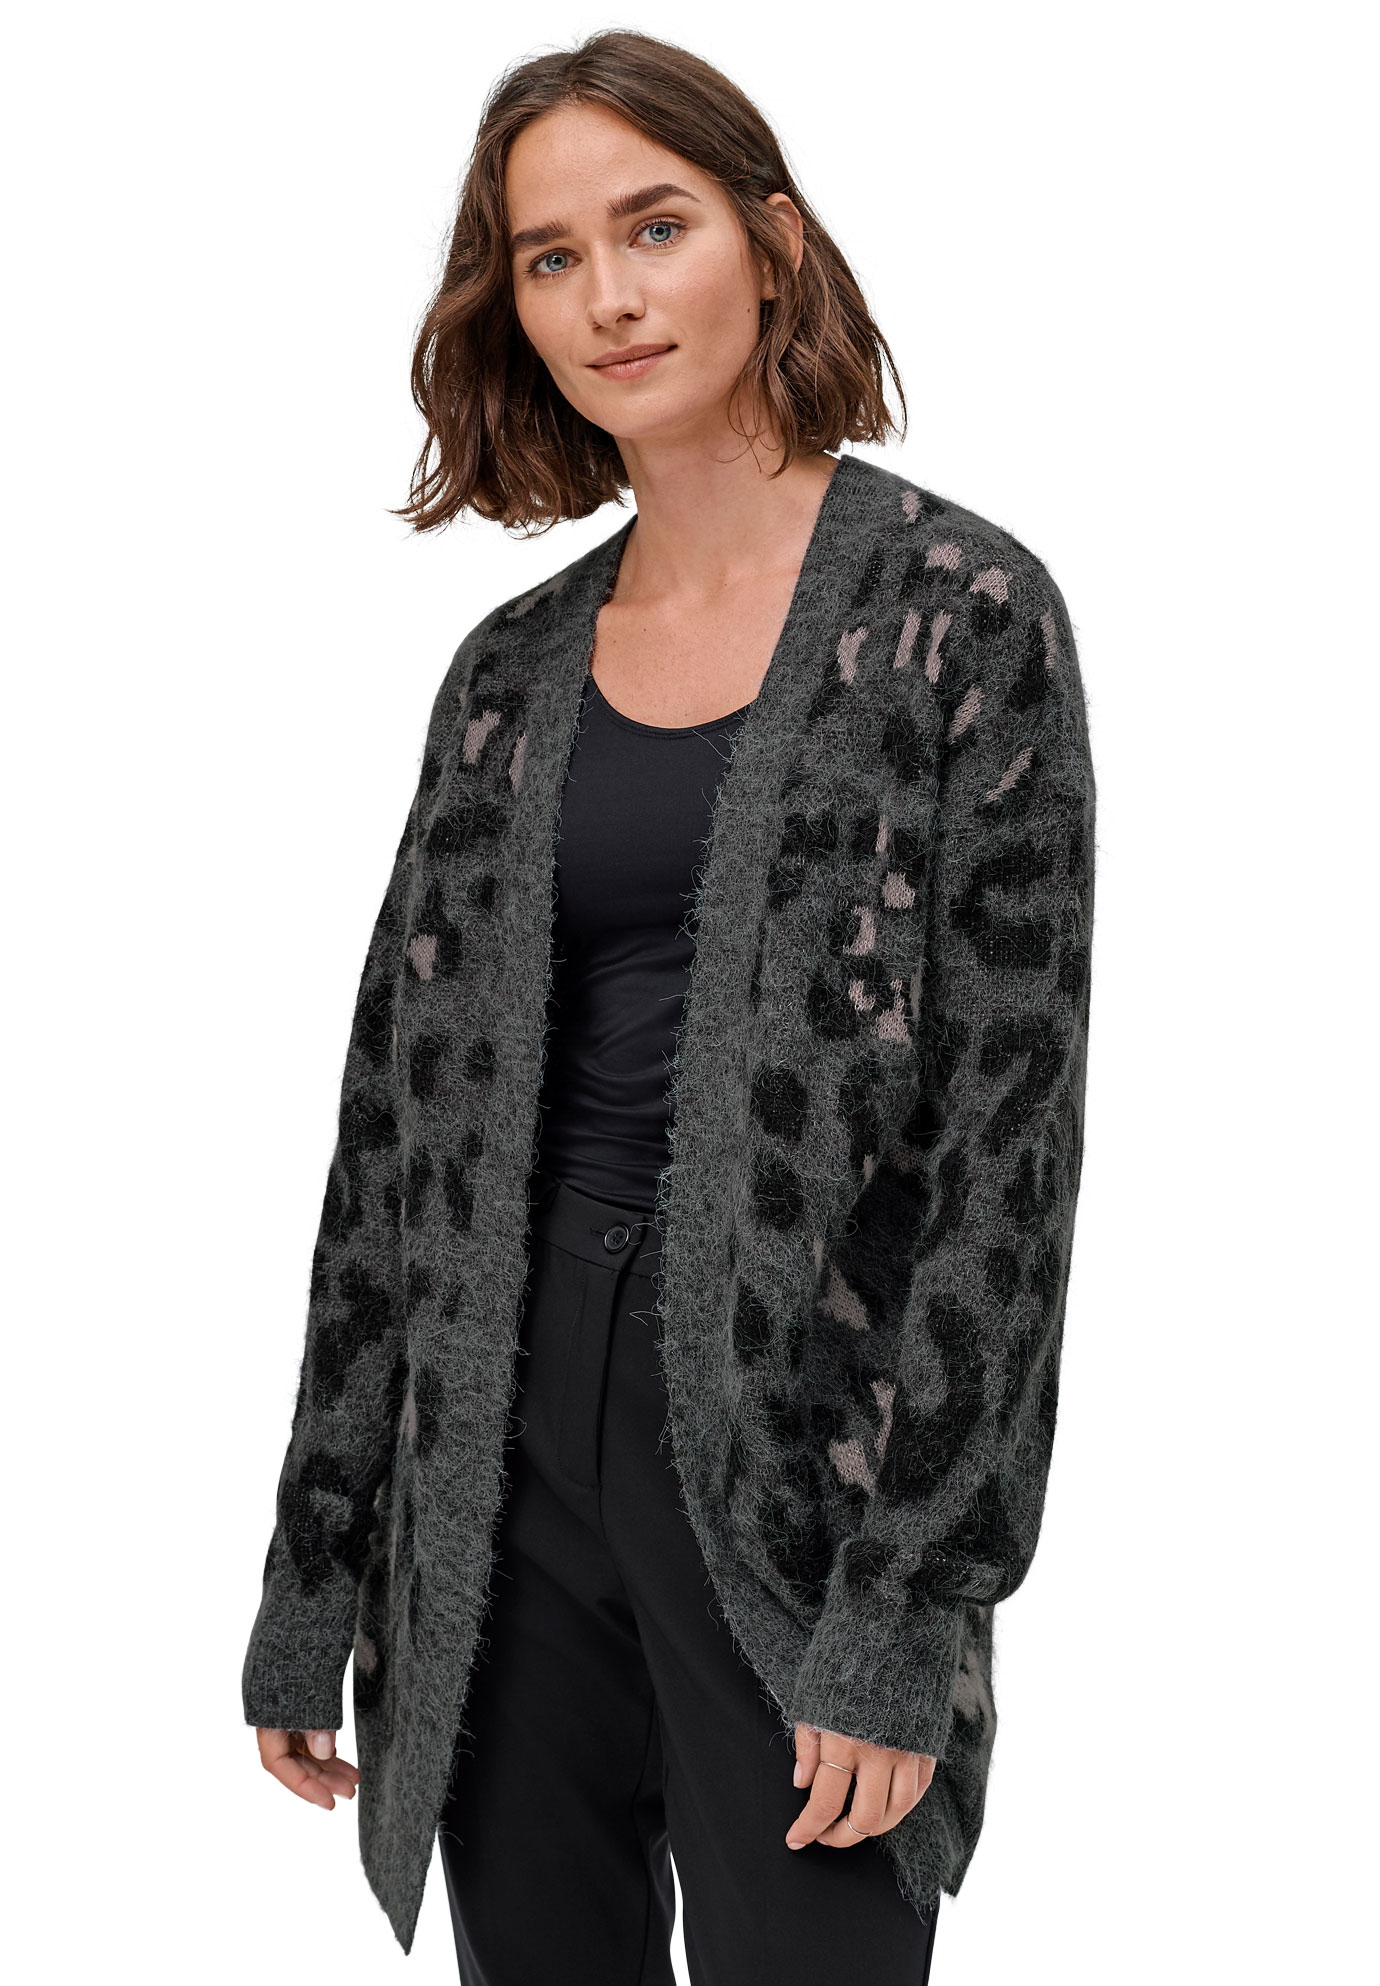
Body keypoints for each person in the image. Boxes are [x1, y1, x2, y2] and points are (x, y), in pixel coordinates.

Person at [241, 29, 1097, 1983]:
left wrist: (913, 1602)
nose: (608, 296)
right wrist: (318, 1562)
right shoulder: (507, 671)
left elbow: (1010, 1158)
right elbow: (389, 1137)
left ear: (771, 242)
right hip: (497, 1441)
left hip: (802, 1451)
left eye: (655, 227)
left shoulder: (961, 618)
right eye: (551, 257)